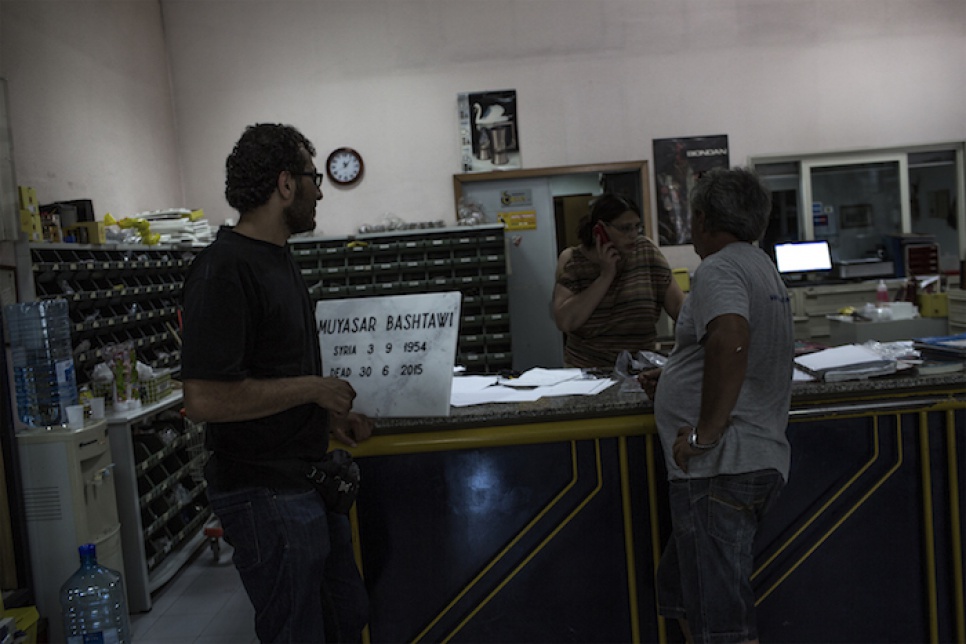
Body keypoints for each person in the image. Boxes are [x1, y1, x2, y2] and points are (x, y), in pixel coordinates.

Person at [181, 123, 373, 643]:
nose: (319, 190)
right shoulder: (222, 270)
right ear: (286, 184)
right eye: (314, 177)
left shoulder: (278, 260)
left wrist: (329, 416)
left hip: (302, 481)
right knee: (297, 632)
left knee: (343, 619)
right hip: (264, 494)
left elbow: (270, 371)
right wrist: (313, 389)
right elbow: (203, 398)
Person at [638, 167, 794, 643]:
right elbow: (730, 346)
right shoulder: (761, 266)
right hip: (747, 459)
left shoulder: (721, 267)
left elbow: (731, 338)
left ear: (702, 218)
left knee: (719, 621)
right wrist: (676, 378)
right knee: (680, 590)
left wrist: (705, 433)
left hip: (720, 465)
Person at [552, 193, 685, 368]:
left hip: (638, 367)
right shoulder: (573, 259)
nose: (632, 235)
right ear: (600, 229)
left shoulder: (645, 251)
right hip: (587, 370)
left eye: (637, 227)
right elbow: (565, 321)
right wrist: (606, 276)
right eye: (625, 228)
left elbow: (678, 307)